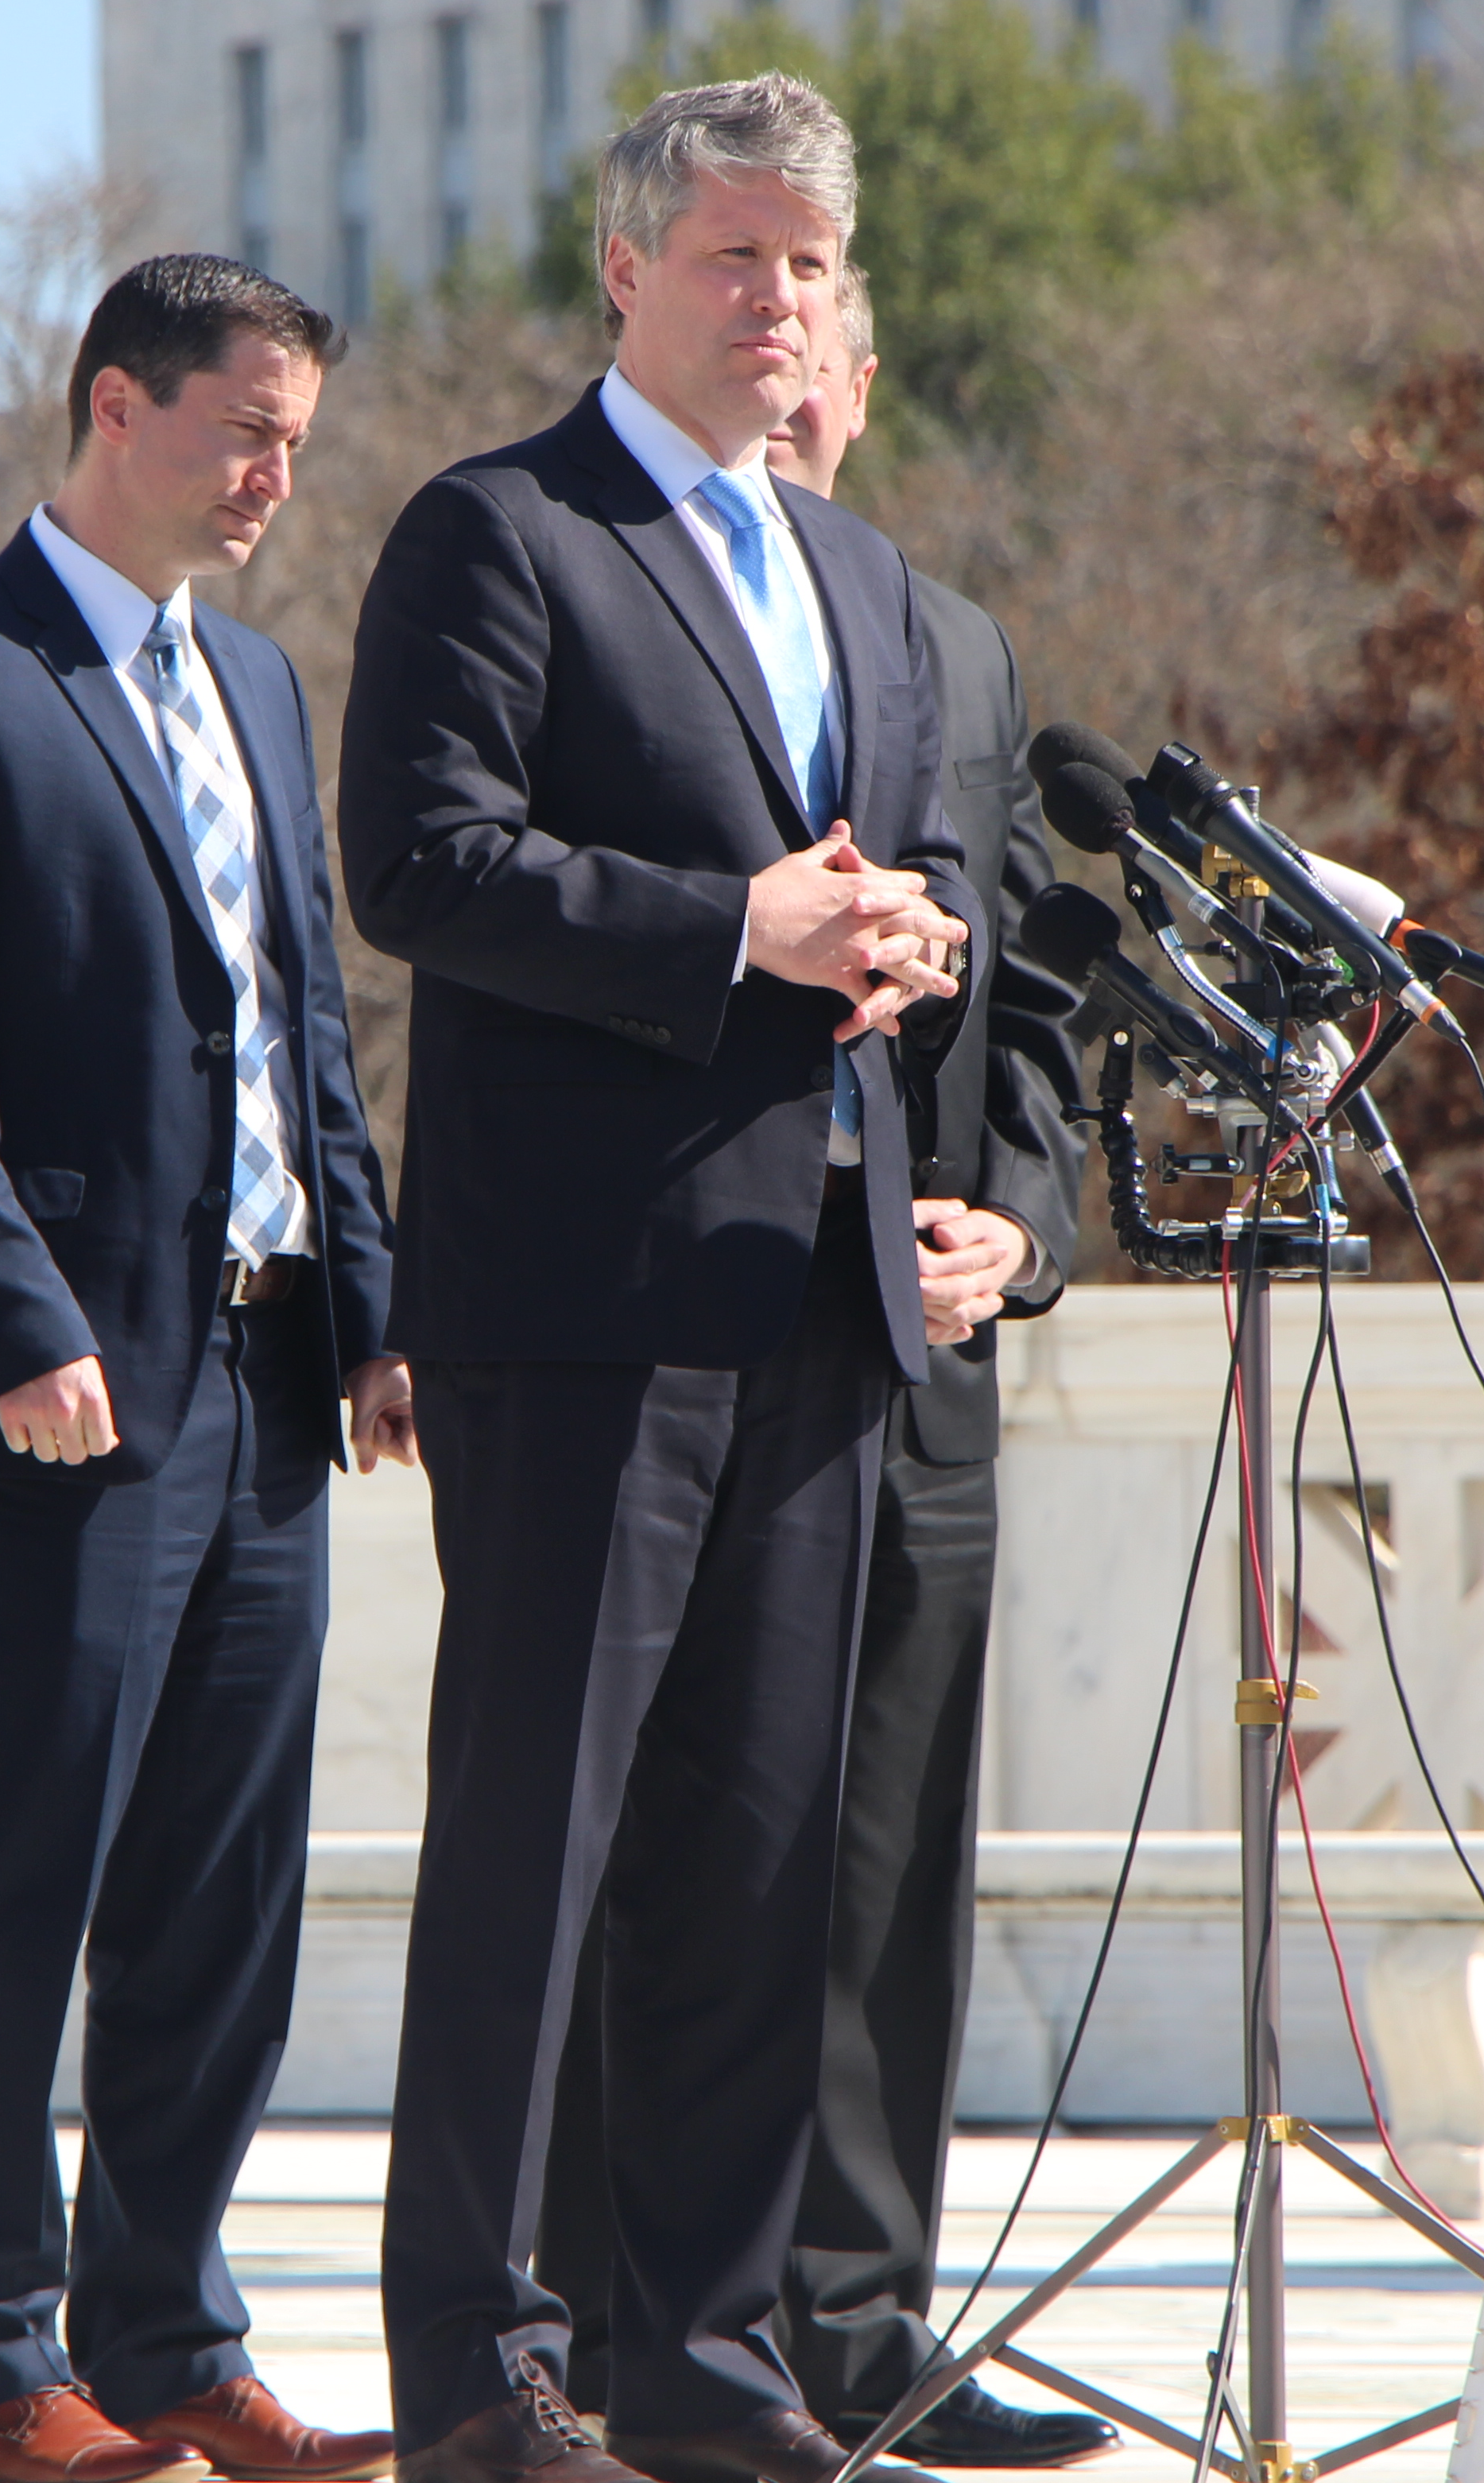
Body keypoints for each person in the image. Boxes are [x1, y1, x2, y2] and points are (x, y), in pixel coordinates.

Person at [338, 73, 975, 2483]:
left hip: (824, 1292)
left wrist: (915, 931)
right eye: (730, 256)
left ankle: (701, 2368)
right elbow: (421, 862)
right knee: (537, 1851)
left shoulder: (865, 572)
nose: (776, 298)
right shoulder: (499, 530)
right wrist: (737, 929)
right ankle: (482, 2382)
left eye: (806, 262)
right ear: (624, 272)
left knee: (754, 1859)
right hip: (581, 1303)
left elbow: (917, 861)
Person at [0, 254, 412, 2483]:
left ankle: (168, 2342)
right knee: (24, 1878)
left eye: (296, 446)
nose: (272, 478)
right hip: (71, 1391)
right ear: (112, 407)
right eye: (241, 430)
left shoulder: (253, 682)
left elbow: (303, 1028)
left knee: (223, 1892)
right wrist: (16, 1324)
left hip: (270, 1382)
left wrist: (377, 1298)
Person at [532, 269, 1102, 2468]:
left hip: (922, 1339)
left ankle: (857, 2336)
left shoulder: (953, 641)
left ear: (863, 387)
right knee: (653, 1832)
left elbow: (1036, 996)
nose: (792, 386)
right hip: (682, 1319)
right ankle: (604, 2321)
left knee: (874, 1851)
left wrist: (1021, 1232)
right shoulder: (620, 611)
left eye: (829, 350)